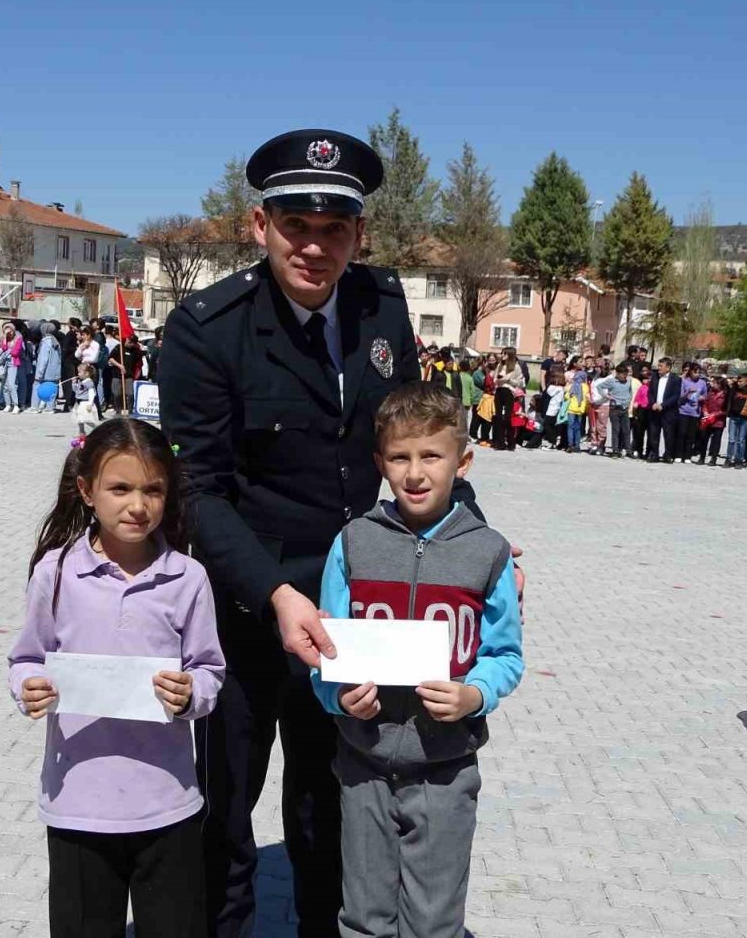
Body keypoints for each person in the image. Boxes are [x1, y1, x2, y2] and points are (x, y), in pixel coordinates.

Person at [158, 129, 509, 938]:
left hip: (358, 612)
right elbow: (198, 491)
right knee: (224, 811)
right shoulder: (208, 329)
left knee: (331, 809)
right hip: (244, 609)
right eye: (296, 226)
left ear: (359, 234)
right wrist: (275, 593)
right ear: (260, 226)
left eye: (334, 229)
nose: (314, 248)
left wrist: (477, 546)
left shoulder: (379, 306)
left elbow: (417, 440)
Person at [310, 382, 522, 938]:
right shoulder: (353, 542)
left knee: (433, 921)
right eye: (400, 457)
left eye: (431, 456)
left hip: (445, 768)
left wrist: (474, 694)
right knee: (364, 917)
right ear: (380, 463)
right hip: (363, 765)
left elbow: (504, 654)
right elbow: (326, 650)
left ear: (463, 461)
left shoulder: (487, 551)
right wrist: (338, 694)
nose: (415, 472)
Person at [8, 419, 225, 938]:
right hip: (78, 803)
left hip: (166, 802)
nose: (138, 505)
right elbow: (26, 658)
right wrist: (28, 687)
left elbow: (210, 669)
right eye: (120, 488)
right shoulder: (56, 572)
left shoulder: (188, 577)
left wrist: (191, 692)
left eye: (152, 489)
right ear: (86, 490)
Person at [645, 357, 681, 462]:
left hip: (668, 411)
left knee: (669, 434)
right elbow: (650, 393)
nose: (659, 368)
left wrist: (663, 405)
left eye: (661, 366)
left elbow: (676, 395)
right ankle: (654, 454)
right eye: (658, 366)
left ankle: (668, 455)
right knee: (653, 433)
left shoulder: (676, 379)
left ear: (668, 367)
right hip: (655, 410)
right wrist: (653, 403)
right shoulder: (655, 377)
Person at [596, 363, 633, 458]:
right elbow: (599, 387)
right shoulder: (611, 381)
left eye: (626, 374)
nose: (624, 376)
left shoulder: (628, 381)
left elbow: (630, 392)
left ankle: (628, 450)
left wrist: (628, 400)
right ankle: (615, 450)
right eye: (622, 374)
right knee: (616, 430)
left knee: (626, 430)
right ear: (617, 373)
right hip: (615, 408)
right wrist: (606, 396)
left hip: (624, 408)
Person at [491, 347, 524, 451]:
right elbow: (494, 379)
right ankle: (499, 442)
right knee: (498, 417)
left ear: (510, 355)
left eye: (504, 354)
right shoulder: (500, 365)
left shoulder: (516, 367)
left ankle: (511, 443)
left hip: (509, 391)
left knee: (508, 418)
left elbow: (519, 382)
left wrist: (508, 379)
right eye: (502, 354)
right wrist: (498, 380)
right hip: (499, 391)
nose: (502, 356)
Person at [676, 362, 707, 463]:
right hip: (684, 410)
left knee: (691, 434)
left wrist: (700, 397)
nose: (697, 374)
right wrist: (688, 392)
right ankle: (678, 454)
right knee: (681, 433)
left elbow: (705, 396)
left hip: (695, 412)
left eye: (699, 372)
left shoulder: (702, 383)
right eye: (695, 372)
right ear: (690, 372)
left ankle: (687, 456)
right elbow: (680, 397)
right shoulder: (684, 381)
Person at [696, 376, 728, 466]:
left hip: (719, 421)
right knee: (704, 439)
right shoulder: (710, 392)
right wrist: (705, 411)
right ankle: (702, 457)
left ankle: (713, 458)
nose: (712, 384)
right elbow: (705, 403)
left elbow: (725, 409)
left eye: (715, 383)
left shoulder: (725, 395)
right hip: (708, 420)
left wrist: (715, 414)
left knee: (716, 441)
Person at [32, 321, 62, 413]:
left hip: (45, 372)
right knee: (52, 388)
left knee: (37, 386)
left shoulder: (45, 342)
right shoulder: (55, 341)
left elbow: (43, 359)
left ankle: (34, 407)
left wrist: (39, 373)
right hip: (54, 371)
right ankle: (50, 407)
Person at [725, 372, 747, 468]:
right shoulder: (734, 388)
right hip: (734, 416)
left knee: (741, 440)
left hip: (744, 417)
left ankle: (739, 460)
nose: (738, 383)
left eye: (741, 381)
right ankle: (729, 458)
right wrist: (733, 382)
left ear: (746, 381)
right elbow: (729, 391)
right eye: (738, 381)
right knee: (731, 439)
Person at [71, 362, 99, 435]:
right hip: (78, 403)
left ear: (86, 373)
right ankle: (81, 432)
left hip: (85, 403)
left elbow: (92, 393)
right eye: (78, 372)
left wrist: (90, 403)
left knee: (86, 419)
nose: (78, 374)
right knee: (79, 419)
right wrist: (73, 383)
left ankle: (97, 428)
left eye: (80, 372)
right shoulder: (81, 381)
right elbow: (76, 390)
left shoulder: (88, 382)